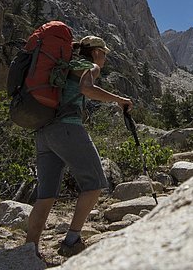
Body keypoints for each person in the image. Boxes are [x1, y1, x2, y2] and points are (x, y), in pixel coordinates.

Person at [25, 35, 133, 257]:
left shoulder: (66, 65)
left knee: (45, 195)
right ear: (96, 52)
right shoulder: (90, 66)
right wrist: (119, 99)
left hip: (44, 132)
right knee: (94, 184)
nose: (105, 58)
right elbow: (86, 88)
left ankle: (29, 249)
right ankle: (72, 240)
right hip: (67, 129)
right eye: (104, 53)